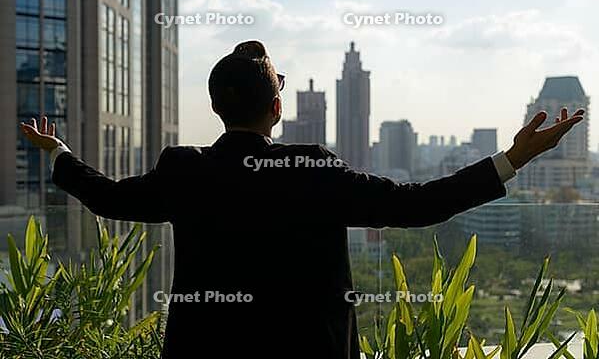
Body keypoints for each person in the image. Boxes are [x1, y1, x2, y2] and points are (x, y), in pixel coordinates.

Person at [20, 40, 584, 359]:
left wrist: (59, 154)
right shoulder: (311, 168)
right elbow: (418, 205)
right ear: (277, 111)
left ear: (217, 108)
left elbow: (109, 198)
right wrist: (513, 158)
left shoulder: (185, 169)